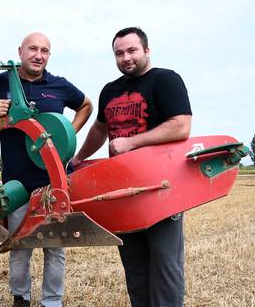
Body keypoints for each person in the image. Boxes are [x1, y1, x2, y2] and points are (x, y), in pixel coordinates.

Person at [70, 27, 192, 306]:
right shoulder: (110, 91)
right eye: (119, 53)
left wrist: (131, 143)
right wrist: (77, 159)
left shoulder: (166, 80)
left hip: (160, 188)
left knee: (164, 263)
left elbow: (181, 126)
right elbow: (99, 131)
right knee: (134, 265)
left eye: (132, 50)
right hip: (122, 189)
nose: (126, 57)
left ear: (146, 50)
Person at [0, 32, 93, 307]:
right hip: (17, 182)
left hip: (53, 182)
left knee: (56, 247)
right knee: (20, 246)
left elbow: (86, 105)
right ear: (20, 52)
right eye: (33, 49)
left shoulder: (59, 85)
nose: (39, 55)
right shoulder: (1, 83)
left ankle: (52, 302)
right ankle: (21, 298)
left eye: (45, 51)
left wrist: (67, 137)